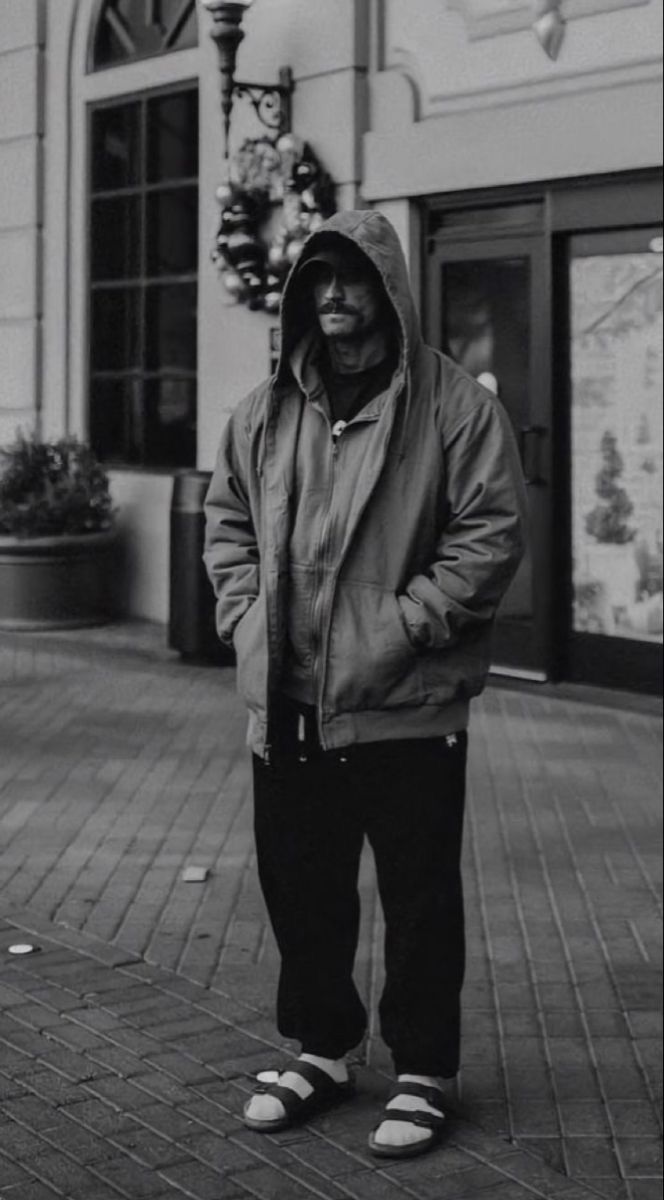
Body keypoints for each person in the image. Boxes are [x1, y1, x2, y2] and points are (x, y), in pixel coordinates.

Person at [204, 209, 527, 1159]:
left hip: (406, 704)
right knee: (301, 884)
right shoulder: (266, 410)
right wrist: (244, 627)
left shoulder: (455, 406)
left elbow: (490, 537)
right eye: (318, 278)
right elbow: (226, 524)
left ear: (387, 288)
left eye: (350, 277)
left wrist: (399, 630)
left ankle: (425, 1070)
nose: (333, 293)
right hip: (290, 702)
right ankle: (322, 1048)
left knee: (418, 895)